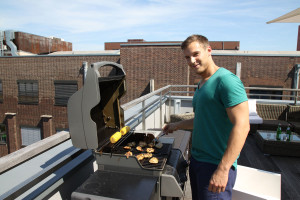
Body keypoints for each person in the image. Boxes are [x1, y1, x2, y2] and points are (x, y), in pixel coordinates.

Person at [163, 35, 250, 200]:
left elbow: (243, 126)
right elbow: (203, 120)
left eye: (196, 54)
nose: (192, 60)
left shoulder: (226, 81)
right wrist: (177, 125)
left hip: (216, 165)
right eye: (187, 57)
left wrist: (223, 169)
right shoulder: (202, 83)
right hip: (198, 162)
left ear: (208, 50)